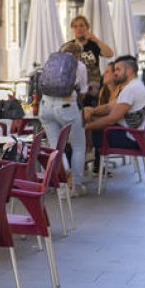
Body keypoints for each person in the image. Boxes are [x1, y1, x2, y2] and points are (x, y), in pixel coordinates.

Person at [38, 42, 89, 194]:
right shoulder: (80, 66)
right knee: (78, 146)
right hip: (67, 107)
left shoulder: (52, 61)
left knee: (56, 148)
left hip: (45, 107)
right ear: (78, 54)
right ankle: (76, 186)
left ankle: (62, 186)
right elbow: (84, 90)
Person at [85, 56, 145, 152]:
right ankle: (90, 161)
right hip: (135, 136)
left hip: (130, 139)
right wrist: (91, 111)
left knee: (85, 131)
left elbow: (111, 120)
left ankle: (85, 162)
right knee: (89, 121)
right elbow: (109, 107)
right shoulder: (134, 85)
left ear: (129, 70)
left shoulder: (131, 89)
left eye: (118, 70)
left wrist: (86, 127)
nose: (115, 73)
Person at [64, 15, 115, 108]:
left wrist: (96, 39)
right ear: (72, 29)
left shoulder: (94, 45)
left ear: (87, 28)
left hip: (93, 89)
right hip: (74, 89)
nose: (78, 28)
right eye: (75, 26)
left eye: (81, 25)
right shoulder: (68, 46)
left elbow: (110, 54)